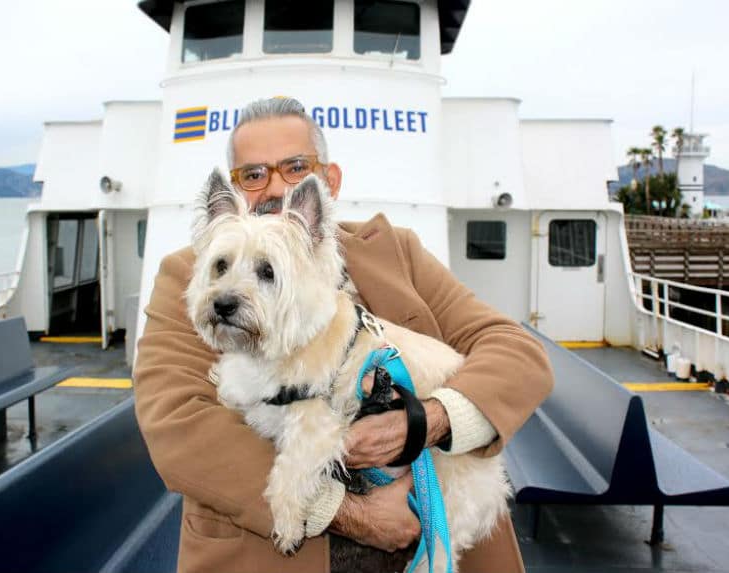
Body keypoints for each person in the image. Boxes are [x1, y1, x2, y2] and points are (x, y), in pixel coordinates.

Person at [133, 97, 554, 573]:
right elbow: (176, 423)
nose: (273, 187)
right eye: (252, 175)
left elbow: (515, 351)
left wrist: (428, 420)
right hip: (269, 556)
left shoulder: (397, 252)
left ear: (327, 182)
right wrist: (345, 512)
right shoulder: (195, 278)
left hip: (438, 535)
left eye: (294, 167)